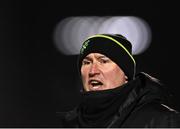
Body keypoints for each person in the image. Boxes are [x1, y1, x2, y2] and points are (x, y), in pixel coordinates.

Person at [56, 33, 180, 127]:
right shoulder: (69, 124)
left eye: (103, 61)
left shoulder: (163, 120)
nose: (93, 71)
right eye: (87, 62)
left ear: (126, 73)